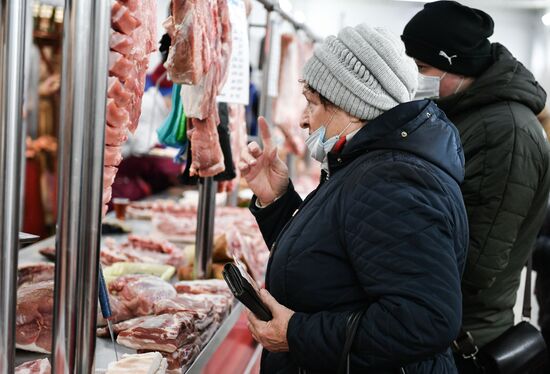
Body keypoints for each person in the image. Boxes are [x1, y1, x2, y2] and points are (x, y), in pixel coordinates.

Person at [239, 23, 468, 373]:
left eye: (312, 103)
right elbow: (333, 264)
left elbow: (425, 320)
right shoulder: (367, 166)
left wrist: (297, 334)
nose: (302, 119)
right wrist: (278, 200)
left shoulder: (390, 181)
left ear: (354, 107)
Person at [401, 1, 550, 371]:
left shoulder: (506, 133)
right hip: (440, 322)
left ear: (458, 65)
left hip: (464, 337)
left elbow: (478, 265)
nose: (415, 78)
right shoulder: (464, 114)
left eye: (422, 68)